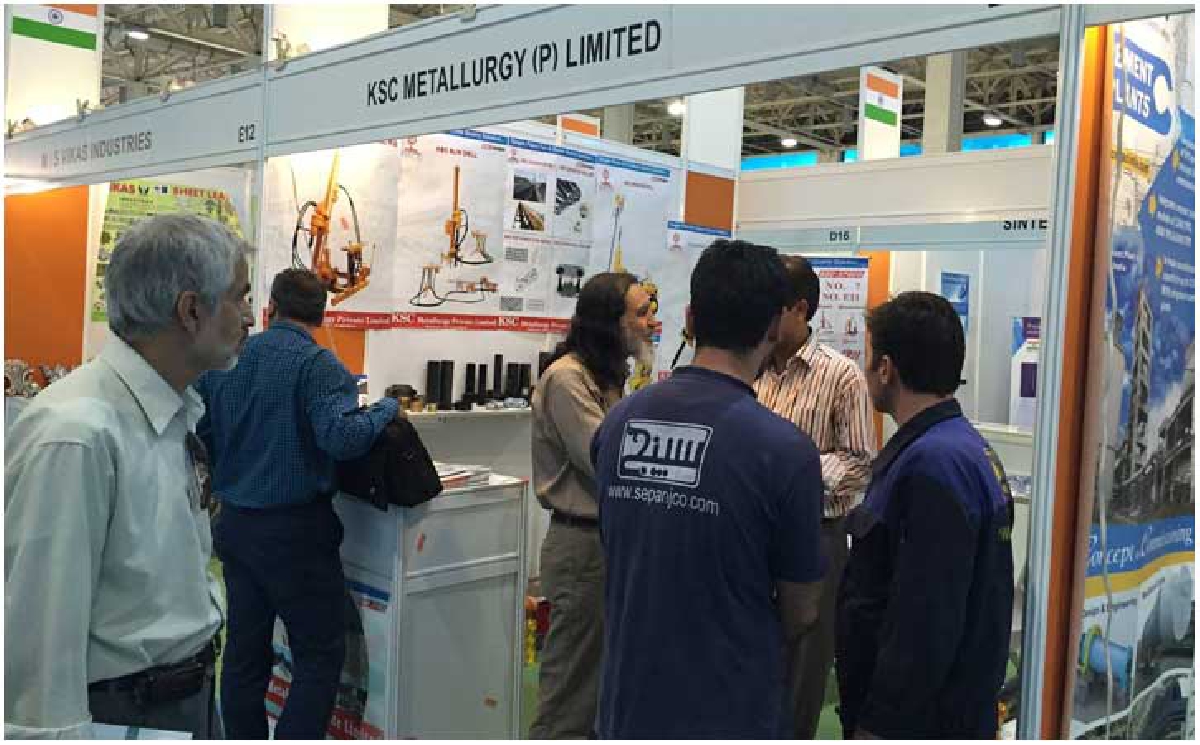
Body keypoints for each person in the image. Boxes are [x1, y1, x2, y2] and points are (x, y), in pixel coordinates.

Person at [5, 214, 253, 738]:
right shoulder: (78, 433)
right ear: (191, 310)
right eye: (240, 297)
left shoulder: (171, 413)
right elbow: (40, 637)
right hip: (123, 714)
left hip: (183, 701)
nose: (250, 317)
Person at [591, 239, 826, 739]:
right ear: (773, 328)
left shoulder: (618, 424)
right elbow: (801, 609)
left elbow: (619, 547)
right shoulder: (786, 452)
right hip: (731, 710)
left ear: (691, 320)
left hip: (628, 708)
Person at [194, 268, 401, 739]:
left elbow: (202, 433)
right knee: (319, 656)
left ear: (270, 308)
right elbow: (341, 437)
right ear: (322, 315)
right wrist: (385, 409)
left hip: (236, 529)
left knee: (244, 655)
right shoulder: (319, 365)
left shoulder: (229, 359)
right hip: (296, 536)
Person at [836, 291, 1015, 739]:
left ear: (886, 368)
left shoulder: (931, 466)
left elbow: (922, 622)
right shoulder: (965, 450)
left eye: (868, 357)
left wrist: (879, 727)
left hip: (918, 724)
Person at [529, 272, 656, 739]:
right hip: (582, 547)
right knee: (571, 693)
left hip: (609, 544)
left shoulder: (606, 377)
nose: (650, 322)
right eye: (640, 313)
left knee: (604, 687)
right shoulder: (568, 378)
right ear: (610, 321)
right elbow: (606, 458)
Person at [754, 254, 875, 738]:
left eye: (773, 306)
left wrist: (791, 475)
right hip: (753, 536)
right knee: (755, 661)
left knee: (802, 669)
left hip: (816, 535)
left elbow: (859, 461)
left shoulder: (841, 375)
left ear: (801, 309)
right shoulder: (751, 367)